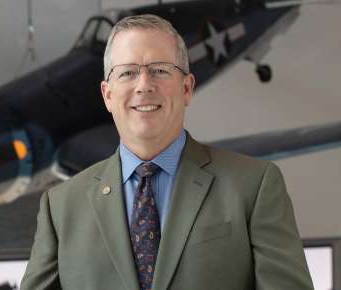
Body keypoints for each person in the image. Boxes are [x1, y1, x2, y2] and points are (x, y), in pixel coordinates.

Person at [21, 14, 313, 290]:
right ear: (107, 95)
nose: (144, 85)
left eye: (160, 70)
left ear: (187, 88)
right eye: (127, 73)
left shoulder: (255, 186)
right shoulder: (60, 208)